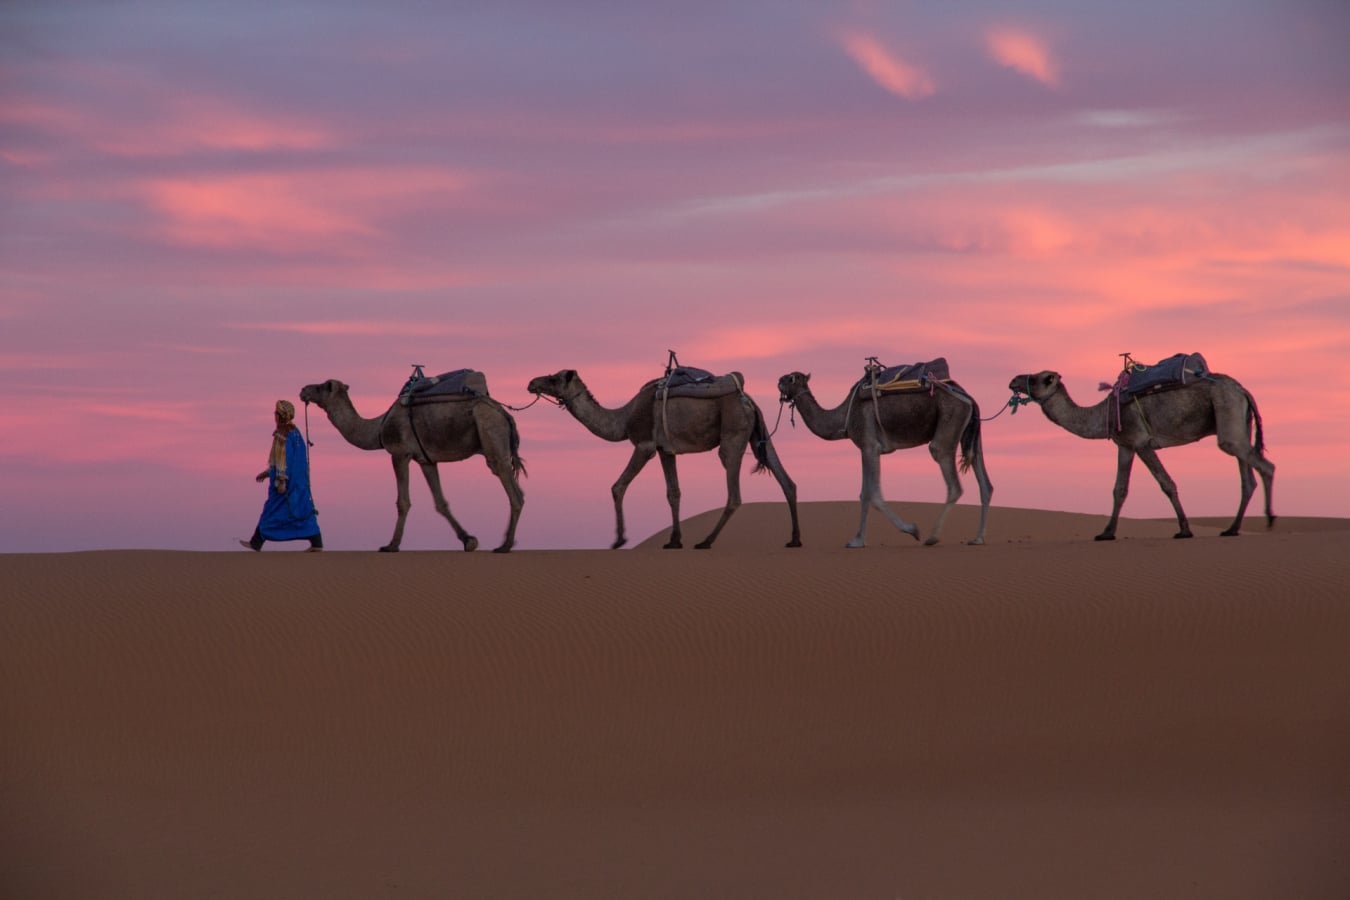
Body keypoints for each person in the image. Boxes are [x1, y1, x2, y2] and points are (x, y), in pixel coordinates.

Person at [240, 399, 323, 551]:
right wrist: (268, 473)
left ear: (280, 416)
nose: (275, 416)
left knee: (272, 510)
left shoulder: (283, 434)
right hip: (298, 483)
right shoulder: (295, 432)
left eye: (276, 413)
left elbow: (283, 458)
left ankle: (256, 542)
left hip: (286, 484)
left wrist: (281, 480)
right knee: (301, 509)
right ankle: (316, 542)